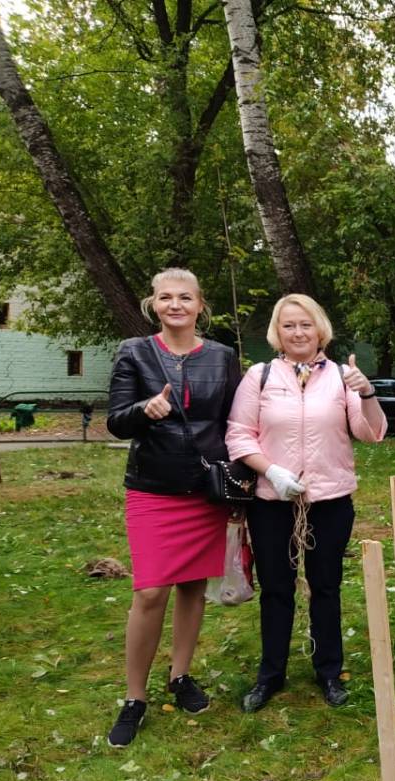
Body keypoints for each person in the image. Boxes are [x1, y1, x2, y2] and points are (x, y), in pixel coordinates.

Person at [226, 294, 387, 712]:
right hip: (272, 501)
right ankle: (271, 674)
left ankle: (329, 671)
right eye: (289, 325)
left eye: (305, 325)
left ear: (320, 330)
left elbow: (370, 433)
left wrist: (366, 391)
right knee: (276, 588)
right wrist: (271, 472)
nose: (298, 333)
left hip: (329, 500)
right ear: (277, 333)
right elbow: (239, 434)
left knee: (325, 586)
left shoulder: (340, 376)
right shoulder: (259, 376)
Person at [105, 268, 242, 747]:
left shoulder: (223, 357)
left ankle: (180, 675)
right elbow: (115, 422)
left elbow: (234, 421)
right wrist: (145, 410)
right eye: (166, 297)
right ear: (154, 304)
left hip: (205, 490)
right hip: (153, 489)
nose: (176, 305)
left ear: (200, 305)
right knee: (149, 592)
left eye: (185, 297)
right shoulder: (135, 352)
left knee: (192, 588)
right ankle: (135, 697)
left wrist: (240, 484)